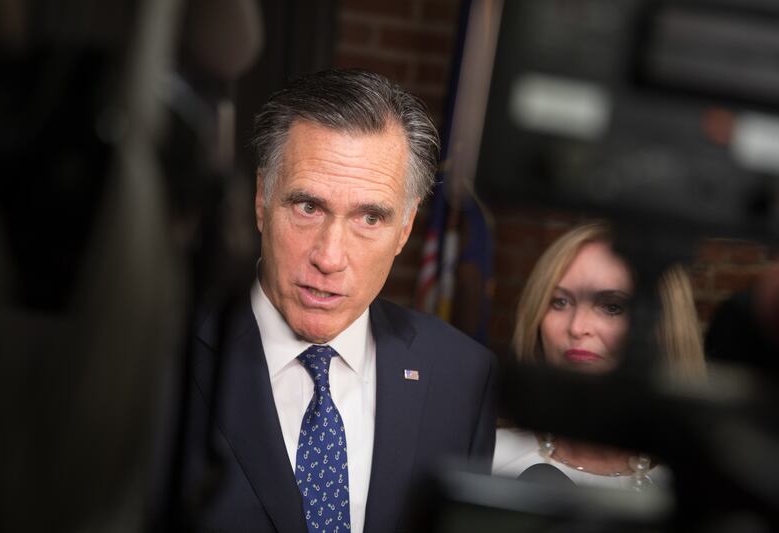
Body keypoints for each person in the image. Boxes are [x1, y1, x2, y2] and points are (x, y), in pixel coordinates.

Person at [182, 69, 498, 533]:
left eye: (370, 217)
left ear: (406, 228)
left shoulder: (463, 377)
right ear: (260, 199)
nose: (329, 257)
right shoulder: (162, 354)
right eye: (308, 207)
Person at [493, 222, 705, 489]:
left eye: (612, 307)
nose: (577, 327)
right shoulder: (489, 454)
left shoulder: (694, 487)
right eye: (559, 301)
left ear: (663, 327)